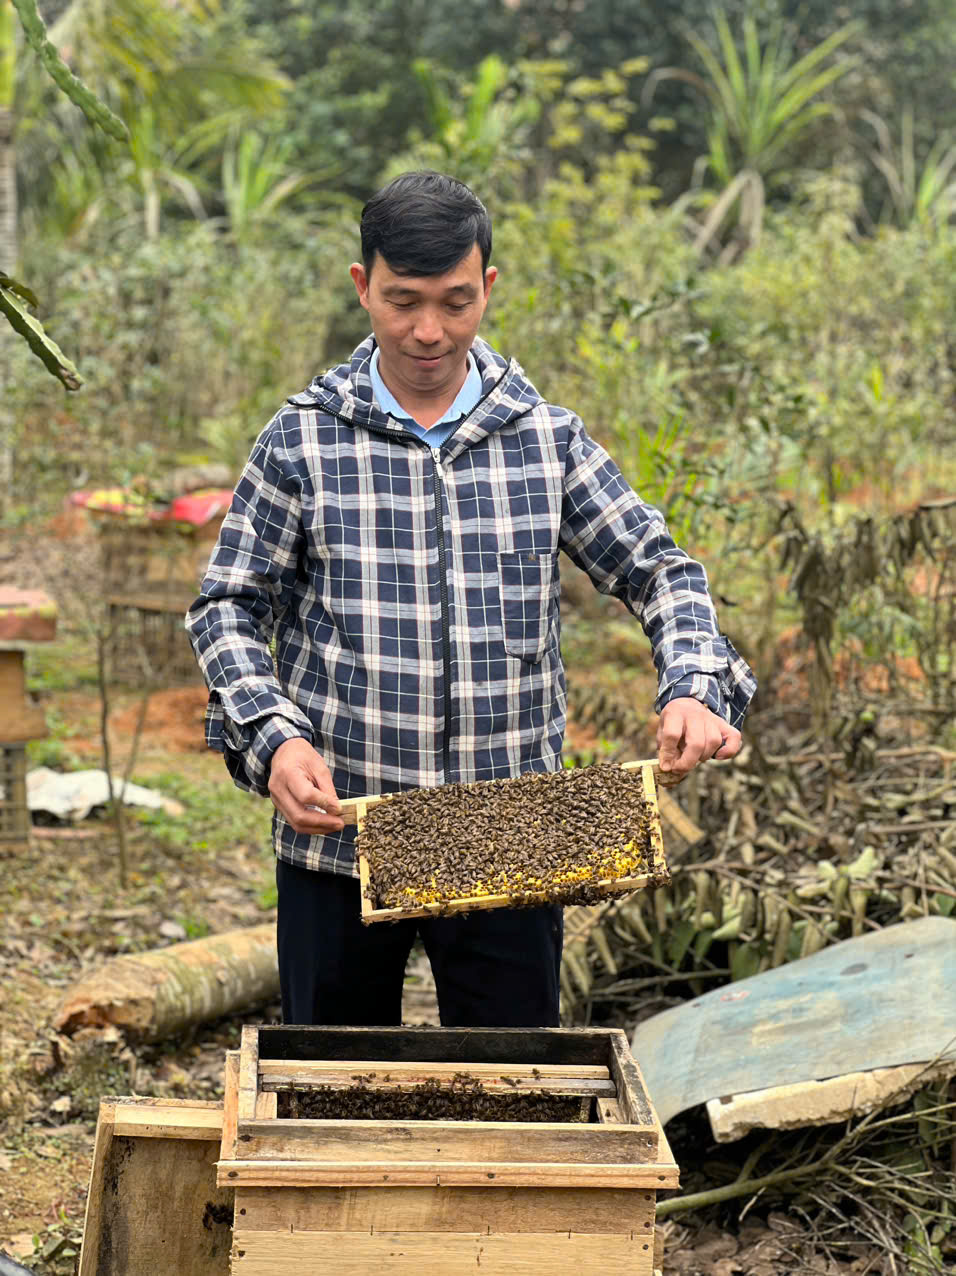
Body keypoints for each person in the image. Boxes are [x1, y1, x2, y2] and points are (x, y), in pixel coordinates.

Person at [186, 171, 755, 1030]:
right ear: (361, 286)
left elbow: (658, 569)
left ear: (487, 286)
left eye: (455, 302)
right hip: (340, 827)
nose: (427, 331)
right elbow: (227, 603)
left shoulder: (545, 440)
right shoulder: (302, 438)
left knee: (514, 1086)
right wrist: (274, 737)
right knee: (330, 1089)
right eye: (401, 300)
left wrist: (692, 683)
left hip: (511, 831)